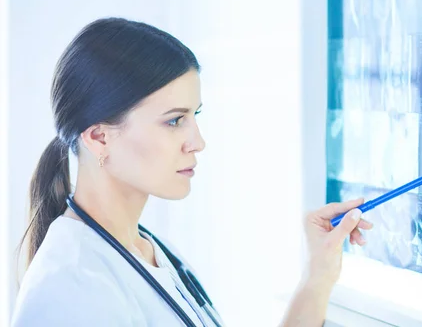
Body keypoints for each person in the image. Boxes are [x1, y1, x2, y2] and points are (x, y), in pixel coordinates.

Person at [10, 18, 373, 326]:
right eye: (174, 121)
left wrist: (318, 276)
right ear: (100, 137)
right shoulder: (71, 290)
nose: (197, 142)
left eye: (193, 116)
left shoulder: (144, 249)